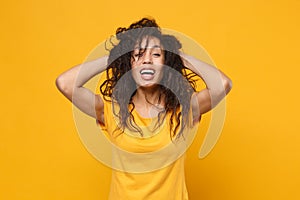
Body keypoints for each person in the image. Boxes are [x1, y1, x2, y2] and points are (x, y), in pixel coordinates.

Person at [56, 17, 232, 200]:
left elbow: (223, 84)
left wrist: (179, 58)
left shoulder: (184, 109)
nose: (147, 60)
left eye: (156, 54)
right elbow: (66, 84)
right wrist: (115, 56)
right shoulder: (111, 110)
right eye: (139, 54)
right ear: (128, 64)